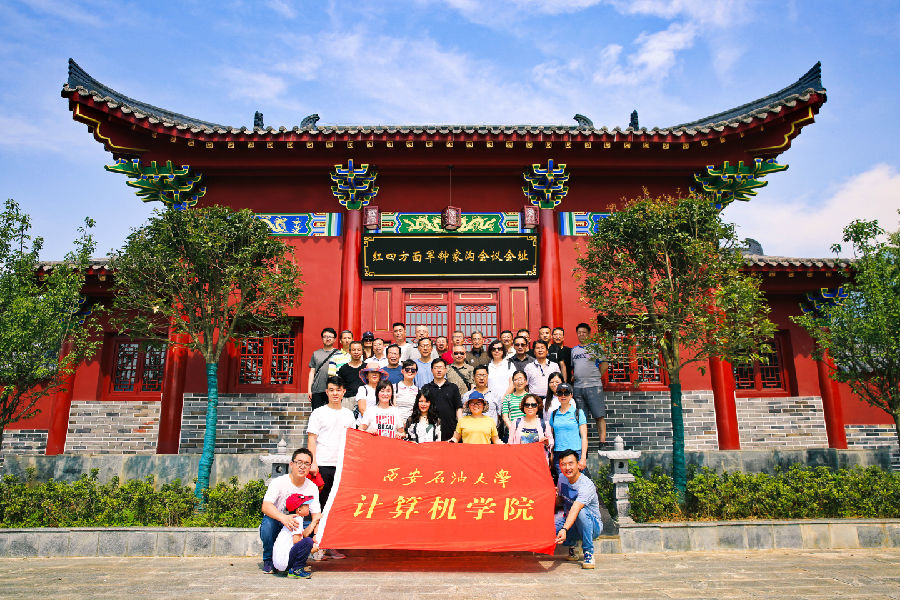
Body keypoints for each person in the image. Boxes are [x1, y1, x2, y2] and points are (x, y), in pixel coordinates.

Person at [306, 376, 355, 560]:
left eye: (338, 390)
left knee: (336, 507)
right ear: (326, 392)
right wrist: (313, 463)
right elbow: (312, 439)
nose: (335, 393)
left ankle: (331, 545)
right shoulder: (318, 413)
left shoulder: (348, 415)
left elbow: (353, 439)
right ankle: (315, 545)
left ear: (343, 392)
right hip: (323, 465)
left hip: (342, 466)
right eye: (332, 390)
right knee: (320, 506)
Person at [259, 448, 321, 574]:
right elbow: (265, 506)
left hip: (297, 523)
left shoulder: (312, 487)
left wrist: (316, 537)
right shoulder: (278, 482)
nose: (302, 467)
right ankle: (268, 560)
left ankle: (296, 561)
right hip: (278, 522)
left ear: (310, 467)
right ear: (291, 464)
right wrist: (283, 518)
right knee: (267, 523)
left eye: (307, 464)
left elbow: (316, 515)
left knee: (313, 526)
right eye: (299, 462)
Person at [555, 449, 603, 569]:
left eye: (571, 463)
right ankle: (573, 545)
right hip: (572, 522)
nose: (567, 468)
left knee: (580, 512)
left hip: (592, 526)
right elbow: (560, 501)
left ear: (578, 464)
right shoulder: (561, 478)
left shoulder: (586, 485)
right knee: (551, 527)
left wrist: (564, 529)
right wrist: (552, 496)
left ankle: (588, 552)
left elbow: (576, 508)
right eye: (563, 464)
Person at [572, 322, 609, 446]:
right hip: (578, 387)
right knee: (581, 418)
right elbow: (574, 367)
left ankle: (602, 442)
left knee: (599, 415)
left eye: (584, 332)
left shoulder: (596, 347)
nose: (581, 334)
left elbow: (604, 364)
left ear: (588, 334)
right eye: (579, 333)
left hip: (594, 386)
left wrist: (597, 376)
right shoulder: (574, 350)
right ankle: (583, 444)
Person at [272, 492, 319, 578]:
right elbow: (296, 540)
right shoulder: (297, 520)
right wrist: (311, 548)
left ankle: (293, 568)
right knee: (308, 541)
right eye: (306, 505)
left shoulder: (294, 519)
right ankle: (296, 569)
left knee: (307, 540)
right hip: (284, 562)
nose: (309, 507)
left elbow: (304, 534)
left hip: (280, 563)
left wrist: (314, 522)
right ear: (299, 510)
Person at [420, 358, 462, 441]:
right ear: (432, 370)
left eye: (441, 367)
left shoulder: (453, 387)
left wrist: (459, 429)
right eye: (436, 368)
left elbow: (458, 408)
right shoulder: (426, 388)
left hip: (450, 429)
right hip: (430, 429)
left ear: (445, 369)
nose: (439, 370)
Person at [549, 383, 588, 471]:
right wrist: (551, 455)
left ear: (571, 395)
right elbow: (551, 437)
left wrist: (583, 458)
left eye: (566, 393)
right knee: (561, 479)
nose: (563, 396)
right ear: (557, 395)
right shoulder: (554, 414)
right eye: (560, 393)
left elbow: (584, 437)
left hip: (575, 453)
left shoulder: (578, 413)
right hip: (559, 454)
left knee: (577, 479)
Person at [508, 393, 553, 461]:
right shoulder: (516, 422)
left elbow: (551, 443)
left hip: (538, 460)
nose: (530, 407)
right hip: (519, 460)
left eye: (533, 405)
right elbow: (510, 443)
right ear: (523, 406)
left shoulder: (544, 424)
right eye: (527, 405)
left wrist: (547, 442)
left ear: (538, 406)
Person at [307, 327, 339, 411]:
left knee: (333, 413)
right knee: (317, 414)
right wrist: (309, 390)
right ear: (322, 338)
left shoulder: (339, 354)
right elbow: (312, 372)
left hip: (333, 390)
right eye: (325, 337)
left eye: (330, 337)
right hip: (317, 389)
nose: (327, 339)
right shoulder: (316, 354)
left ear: (334, 339)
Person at [336, 340, 365, 410]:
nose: (356, 352)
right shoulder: (343, 369)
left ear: (362, 352)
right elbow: (339, 386)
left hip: (364, 399)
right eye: (353, 350)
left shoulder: (366, 368)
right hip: (347, 400)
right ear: (349, 352)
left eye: (359, 350)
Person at [500, 370, 529, 434]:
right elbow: (505, 416)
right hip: (513, 431)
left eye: (521, 379)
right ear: (513, 382)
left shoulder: (530, 397)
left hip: (528, 431)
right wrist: (513, 430)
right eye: (516, 380)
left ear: (526, 381)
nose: (519, 382)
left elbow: (535, 416)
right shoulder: (507, 398)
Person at [393, 359, 419, 425]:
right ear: (402, 371)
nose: (410, 371)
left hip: (412, 423)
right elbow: (392, 407)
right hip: (396, 422)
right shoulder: (394, 387)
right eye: (407, 369)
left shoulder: (418, 391)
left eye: (413, 370)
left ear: (416, 372)